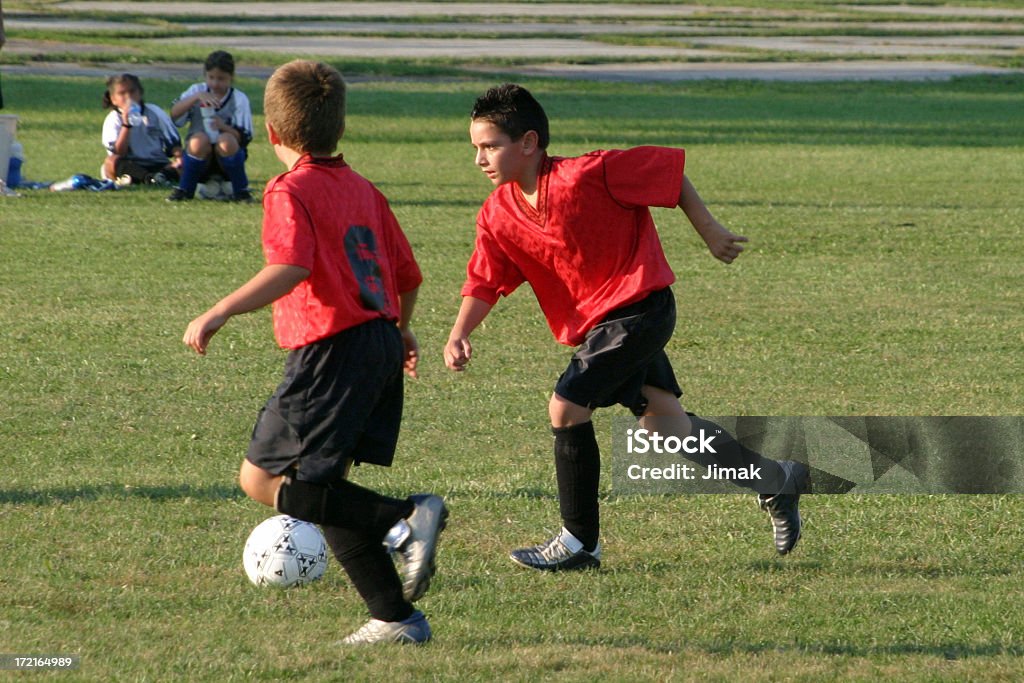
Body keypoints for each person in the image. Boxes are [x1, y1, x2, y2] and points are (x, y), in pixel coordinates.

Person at [444, 83, 809, 572]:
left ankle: (579, 542)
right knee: (666, 426)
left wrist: (710, 231)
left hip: (641, 309)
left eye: (490, 146)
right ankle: (775, 480)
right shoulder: (497, 214)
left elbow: (669, 176)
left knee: (567, 406)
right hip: (602, 328)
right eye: (476, 148)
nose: (480, 159)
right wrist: (459, 332)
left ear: (528, 143)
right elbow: (485, 280)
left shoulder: (589, 173)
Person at [183, 60, 447, 645]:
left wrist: (220, 309)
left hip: (331, 348)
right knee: (323, 487)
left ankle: (403, 519)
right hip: (374, 340)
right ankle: (394, 618)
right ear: (339, 128)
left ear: (272, 134)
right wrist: (399, 328)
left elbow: (292, 266)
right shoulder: (363, 189)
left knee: (260, 478)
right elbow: (408, 274)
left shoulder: (289, 188)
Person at [167, 50, 254, 202]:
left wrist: (222, 126)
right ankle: (185, 189)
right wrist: (195, 98)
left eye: (221, 79)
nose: (215, 83)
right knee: (198, 140)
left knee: (226, 140)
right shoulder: (196, 90)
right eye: (211, 77)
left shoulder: (238, 98)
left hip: (227, 159)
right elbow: (174, 115)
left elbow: (244, 137)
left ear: (231, 78)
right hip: (200, 158)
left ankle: (241, 191)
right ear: (205, 75)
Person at [101, 73, 181, 185]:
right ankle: (148, 179)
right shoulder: (113, 120)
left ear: (140, 93)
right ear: (113, 99)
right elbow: (118, 153)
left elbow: (173, 144)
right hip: (131, 165)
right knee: (110, 163)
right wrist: (126, 125)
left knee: (185, 163)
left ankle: (158, 177)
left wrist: (179, 158)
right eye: (122, 93)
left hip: (158, 164)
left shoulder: (155, 112)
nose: (128, 97)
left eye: (132, 91)